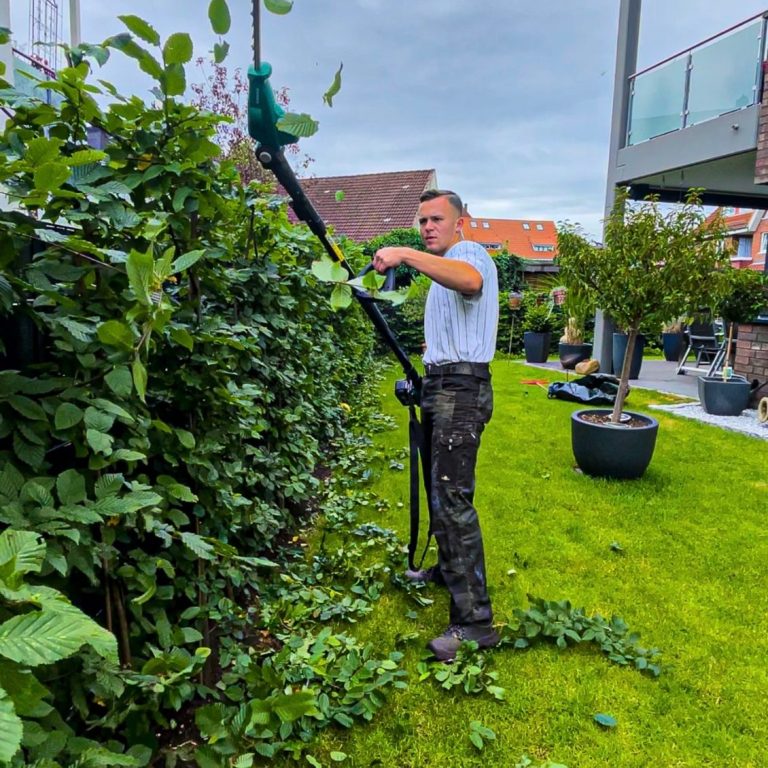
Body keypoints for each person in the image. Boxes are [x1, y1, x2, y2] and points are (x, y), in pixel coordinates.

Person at [372, 189, 499, 662]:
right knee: (439, 489)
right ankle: (449, 572)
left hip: (461, 391)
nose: (427, 227)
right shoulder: (441, 271)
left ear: (460, 222)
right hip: (443, 385)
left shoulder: (471, 254)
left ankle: (475, 623)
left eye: (436, 219)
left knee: (452, 498)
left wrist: (405, 254)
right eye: (422, 220)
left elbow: (469, 281)